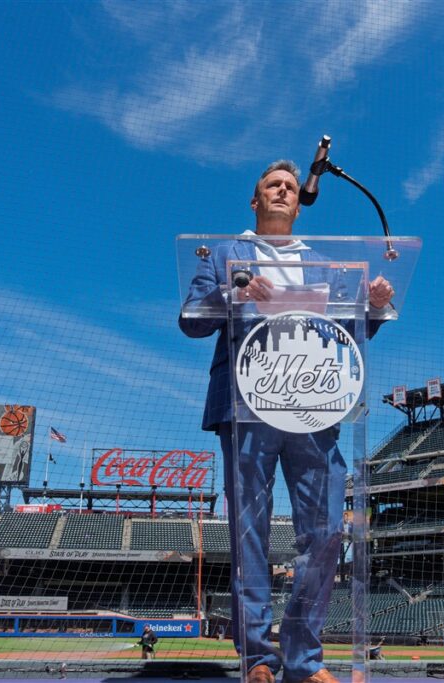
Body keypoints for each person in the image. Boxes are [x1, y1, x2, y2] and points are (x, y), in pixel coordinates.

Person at [179, 160, 395, 683]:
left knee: (325, 530)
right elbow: (191, 320)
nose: (282, 191)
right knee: (249, 533)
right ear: (255, 201)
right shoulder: (224, 254)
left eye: (290, 187)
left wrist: (372, 307)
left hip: (312, 407)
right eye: (271, 185)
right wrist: (232, 293)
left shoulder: (326, 266)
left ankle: (303, 657)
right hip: (245, 404)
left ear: (299, 206)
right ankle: (256, 657)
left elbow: (348, 334)